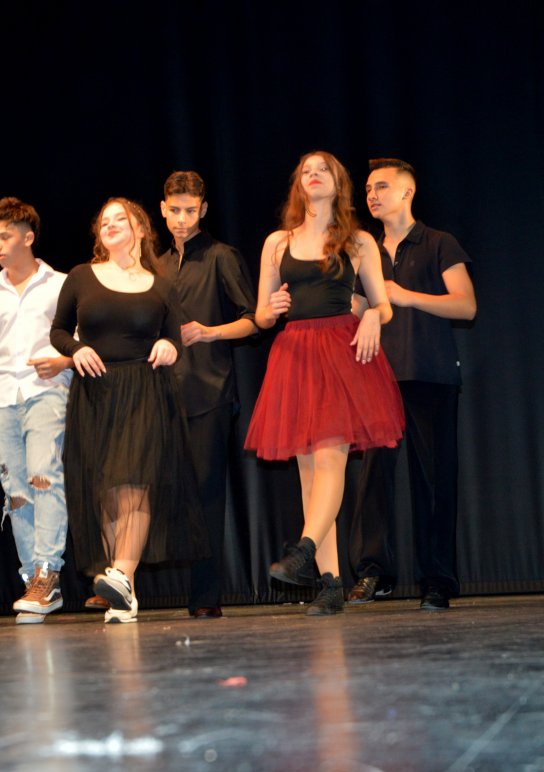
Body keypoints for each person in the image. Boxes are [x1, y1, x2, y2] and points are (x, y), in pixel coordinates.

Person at [246, 151, 405, 616]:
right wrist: (270, 310)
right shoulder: (277, 242)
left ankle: (304, 549)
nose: (313, 175)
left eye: (323, 170)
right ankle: (331, 583)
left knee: (331, 457)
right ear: (299, 184)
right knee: (309, 474)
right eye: (306, 171)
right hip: (295, 354)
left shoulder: (357, 240)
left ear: (338, 183)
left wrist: (372, 315)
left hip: (339, 351)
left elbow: (383, 304)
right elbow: (261, 314)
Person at [50, 198, 207, 624]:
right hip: (96, 393)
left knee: (134, 483)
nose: (111, 225)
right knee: (106, 490)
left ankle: (119, 574)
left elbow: (174, 340)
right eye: (104, 221)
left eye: (120, 219)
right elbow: (58, 331)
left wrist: (168, 345)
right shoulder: (82, 276)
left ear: (140, 229)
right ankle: (126, 595)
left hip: (144, 390)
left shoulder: (160, 285)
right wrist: (76, 348)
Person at [348, 158, 476, 611]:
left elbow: (466, 306)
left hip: (430, 373)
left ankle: (437, 579)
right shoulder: (363, 250)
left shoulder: (438, 242)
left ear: (407, 192)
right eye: (368, 189)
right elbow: (354, 307)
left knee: (435, 479)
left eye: (382, 186)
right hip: (376, 376)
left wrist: (405, 296)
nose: (372, 195)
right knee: (372, 481)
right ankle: (373, 574)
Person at [156, 171, 258, 619]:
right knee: (151, 491)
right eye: (175, 210)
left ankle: (205, 596)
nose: (182, 219)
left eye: (190, 211)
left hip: (208, 391)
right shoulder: (154, 265)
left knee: (206, 494)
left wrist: (210, 331)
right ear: (162, 209)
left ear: (203, 210)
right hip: (160, 394)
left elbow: (253, 320)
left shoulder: (221, 256)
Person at [0, 197, 72, 624]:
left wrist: (63, 361)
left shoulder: (61, 284)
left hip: (46, 390)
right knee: (16, 490)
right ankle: (33, 579)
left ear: (28, 238)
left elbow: (80, 339)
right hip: (2, 398)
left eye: (5, 236)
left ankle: (49, 571)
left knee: (44, 476)